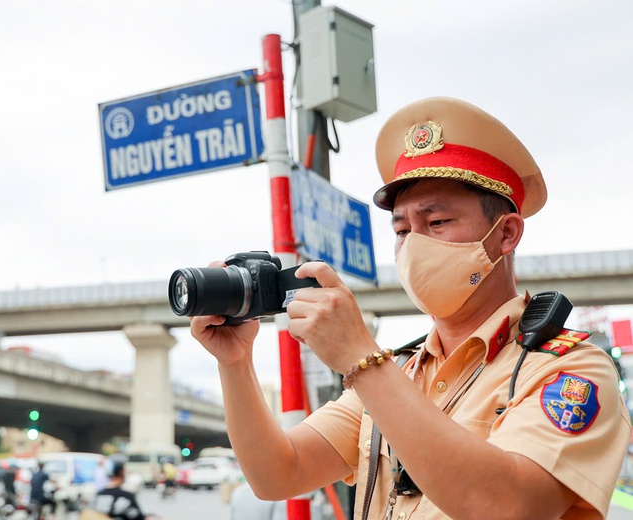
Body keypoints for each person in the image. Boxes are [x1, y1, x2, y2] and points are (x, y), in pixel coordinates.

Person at [190, 96, 632, 519]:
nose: (414, 244)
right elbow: (277, 473)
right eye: (402, 230)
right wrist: (235, 362)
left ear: (506, 234)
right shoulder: (397, 374)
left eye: (437, 222)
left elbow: (505, 507)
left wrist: (360, 359)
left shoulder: (569, 371)